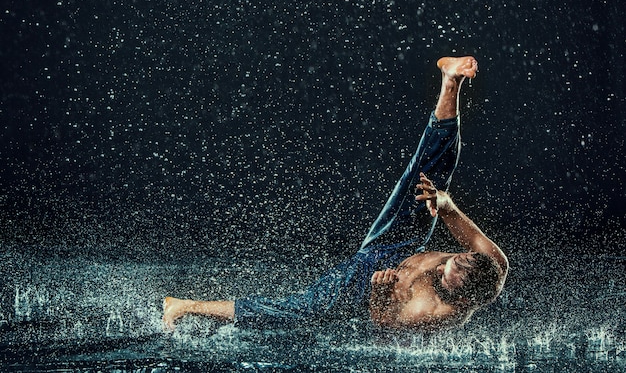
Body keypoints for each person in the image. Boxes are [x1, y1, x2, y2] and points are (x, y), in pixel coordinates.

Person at [163, 56, 508, 332]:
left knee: (297, 312)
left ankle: (183, 305)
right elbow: (456, 221)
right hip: (406, 244)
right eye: (455, 258)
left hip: (370, 277)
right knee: (428, 180)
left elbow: (383, 323)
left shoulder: (431, 312)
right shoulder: (492, 263)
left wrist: (380, 291)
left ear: (458, 298)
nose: (448, 262)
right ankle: (451, 81)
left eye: (447, 271)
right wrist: (444, 204)